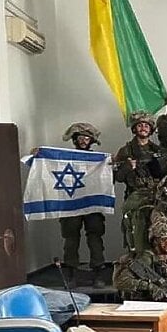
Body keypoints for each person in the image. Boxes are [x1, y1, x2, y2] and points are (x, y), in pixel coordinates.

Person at [112, 218, 167, 332]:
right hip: (145, 304)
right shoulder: (146, 259)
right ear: (155, 241)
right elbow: (121, 282)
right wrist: (150, 287)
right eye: (164, 239)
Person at [114, 111, 167, 252]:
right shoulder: (126, 151)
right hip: (135, 197)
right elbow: (118, 177)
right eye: (140, 125)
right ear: (134, 129)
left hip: (156, 197)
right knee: (136, 235)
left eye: (146, 126)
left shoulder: (158, 150)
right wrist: (127, 168)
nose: (143, 128)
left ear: (151, 129)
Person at [58, 122, 107, 287]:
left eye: (87, 137)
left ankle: (99, 273)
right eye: (80, 137)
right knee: (71, 239)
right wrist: (37, 153)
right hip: (71, 203)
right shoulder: (64, 159)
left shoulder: (99, 160)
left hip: (92, 203)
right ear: (74, 139)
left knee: (95, 238)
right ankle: (71, 273)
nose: (84, 140)